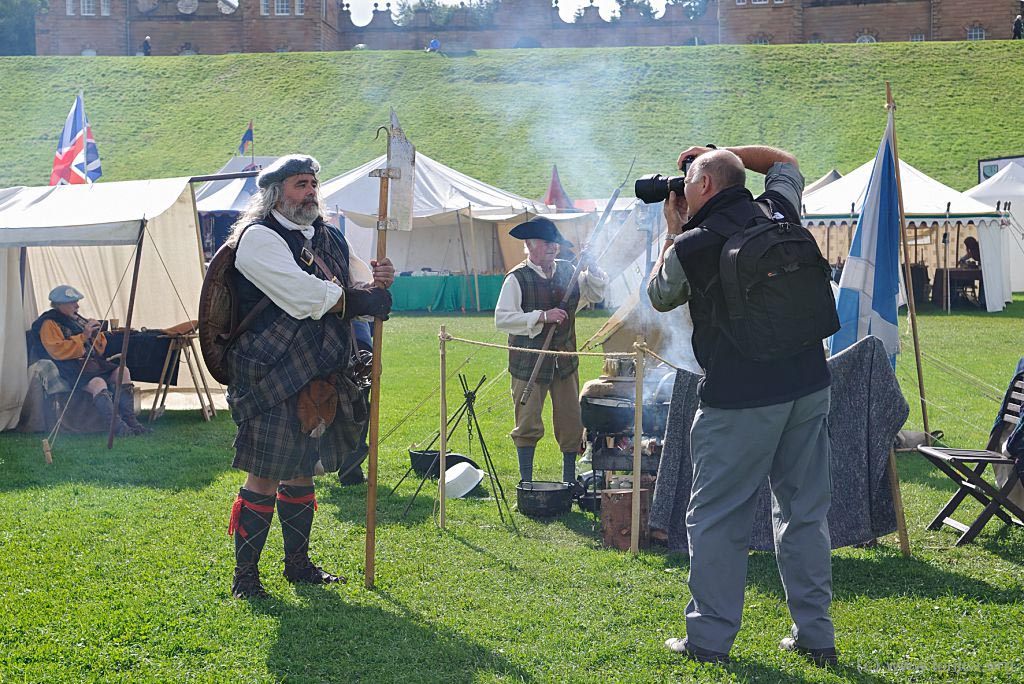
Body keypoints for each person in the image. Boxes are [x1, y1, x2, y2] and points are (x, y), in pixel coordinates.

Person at [647, 146, 836, 667]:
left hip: (739, 399)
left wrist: (671, 231)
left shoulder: (692, 244)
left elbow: (659, 295)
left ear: (704, 187)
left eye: (688, 179)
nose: (681, 188)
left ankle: (708, 639)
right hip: (808, 385)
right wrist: (721, 153)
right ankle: (816, 637)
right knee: (804, 516)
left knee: (717, 520)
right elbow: (789, 162)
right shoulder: (779, 208)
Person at [224, 154, 394, 599]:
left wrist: (379, 283)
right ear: (276, 192)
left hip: (319, 371)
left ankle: (298, 565)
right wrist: (357, 302)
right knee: (263, 473)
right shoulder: (257, 238)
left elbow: (358, 285)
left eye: (314, 184)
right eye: (301, 185)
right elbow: (303, 297)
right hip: (269, 370)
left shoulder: (330, 237)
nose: (310, 193)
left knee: (301, 471)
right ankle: (246, 577)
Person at [494, 217, 607, 484]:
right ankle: (527, 484)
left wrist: (591, 267)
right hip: (528, 362)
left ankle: (568, 483)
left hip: (564, 360)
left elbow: (596, 293)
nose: (552, 248)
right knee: (527, 423)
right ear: (530, 245)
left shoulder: (570, 271)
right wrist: (542, 316)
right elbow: (502, 319)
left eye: (555, 243)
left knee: (571, 421)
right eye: (547, 243)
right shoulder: (517, 278)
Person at [29, 285, 151, 436]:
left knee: (123, 371)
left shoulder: (75, 320)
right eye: (73, 302)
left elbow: (98, 349)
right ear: (60, 304)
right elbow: (57, 351)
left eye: (77, 301)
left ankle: (132, 422)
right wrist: (84, 336)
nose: (77, 306)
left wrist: (96, 335)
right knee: (98, 383)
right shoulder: (49, 323)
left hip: (90, 364)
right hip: (69, 367)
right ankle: (118, 429)